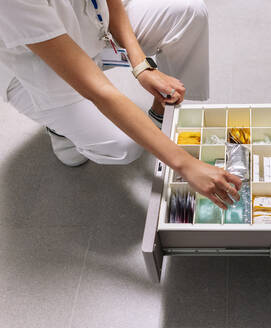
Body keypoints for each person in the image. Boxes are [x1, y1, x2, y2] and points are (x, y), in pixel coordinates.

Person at [0, 0, 241, 209]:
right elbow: (99, 91)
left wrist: (141, 66)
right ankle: (60, 130)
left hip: (89, 28)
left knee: (189, 12)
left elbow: (110, 4)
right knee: (125, 144)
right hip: (40, 66)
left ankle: (160, 118)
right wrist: (185, 164)